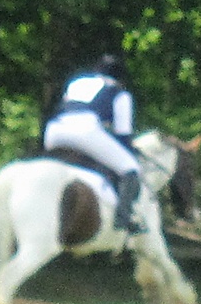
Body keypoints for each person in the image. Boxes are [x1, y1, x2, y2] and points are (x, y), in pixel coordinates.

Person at [43, 54, 142, 233]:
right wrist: (129, 153)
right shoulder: (120, 94)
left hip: (53, 131)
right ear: (121, 77)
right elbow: (123, 134)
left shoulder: (77, 82)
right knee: (131, 169)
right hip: (85, 131)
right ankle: (123, 218)